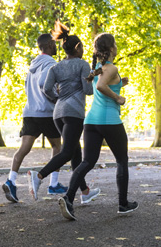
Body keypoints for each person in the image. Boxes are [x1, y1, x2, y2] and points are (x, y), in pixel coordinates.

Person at [58, 32, 138, 221]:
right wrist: (118, 97)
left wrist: (120, 84)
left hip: (91, 122)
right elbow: (102, 87)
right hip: (109, 121)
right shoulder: (110, 68)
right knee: (121, 161)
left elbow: (101, 85)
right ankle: (123, 204)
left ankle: (68, 198)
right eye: (115, 45)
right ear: (111, 49)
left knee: (87, 162)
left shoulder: (98, 69)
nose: (116, 48)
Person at [27, 22, 99, 203]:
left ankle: (84, 191)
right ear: (77, 48)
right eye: (82, 46)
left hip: (58, 114)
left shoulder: (56, 67)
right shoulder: (82, 64)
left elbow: (47, 89)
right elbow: (88, 91)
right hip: (74, 113)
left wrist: (57, 96)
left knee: (76, 153)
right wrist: (92, 78)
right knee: (67, 152)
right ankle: (39, 176)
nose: (83, 50)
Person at [1, 33, 65, 203]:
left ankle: (11, 180)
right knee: (58, 147)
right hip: (46, 112)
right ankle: (54, 184)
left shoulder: (32, 65)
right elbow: (45, 84)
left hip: (30, 112)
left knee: (23, 149)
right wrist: (54, 98)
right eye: (55, 44)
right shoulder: (51, 63)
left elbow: (28, 87)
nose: (56, 47)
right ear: (50, 45)